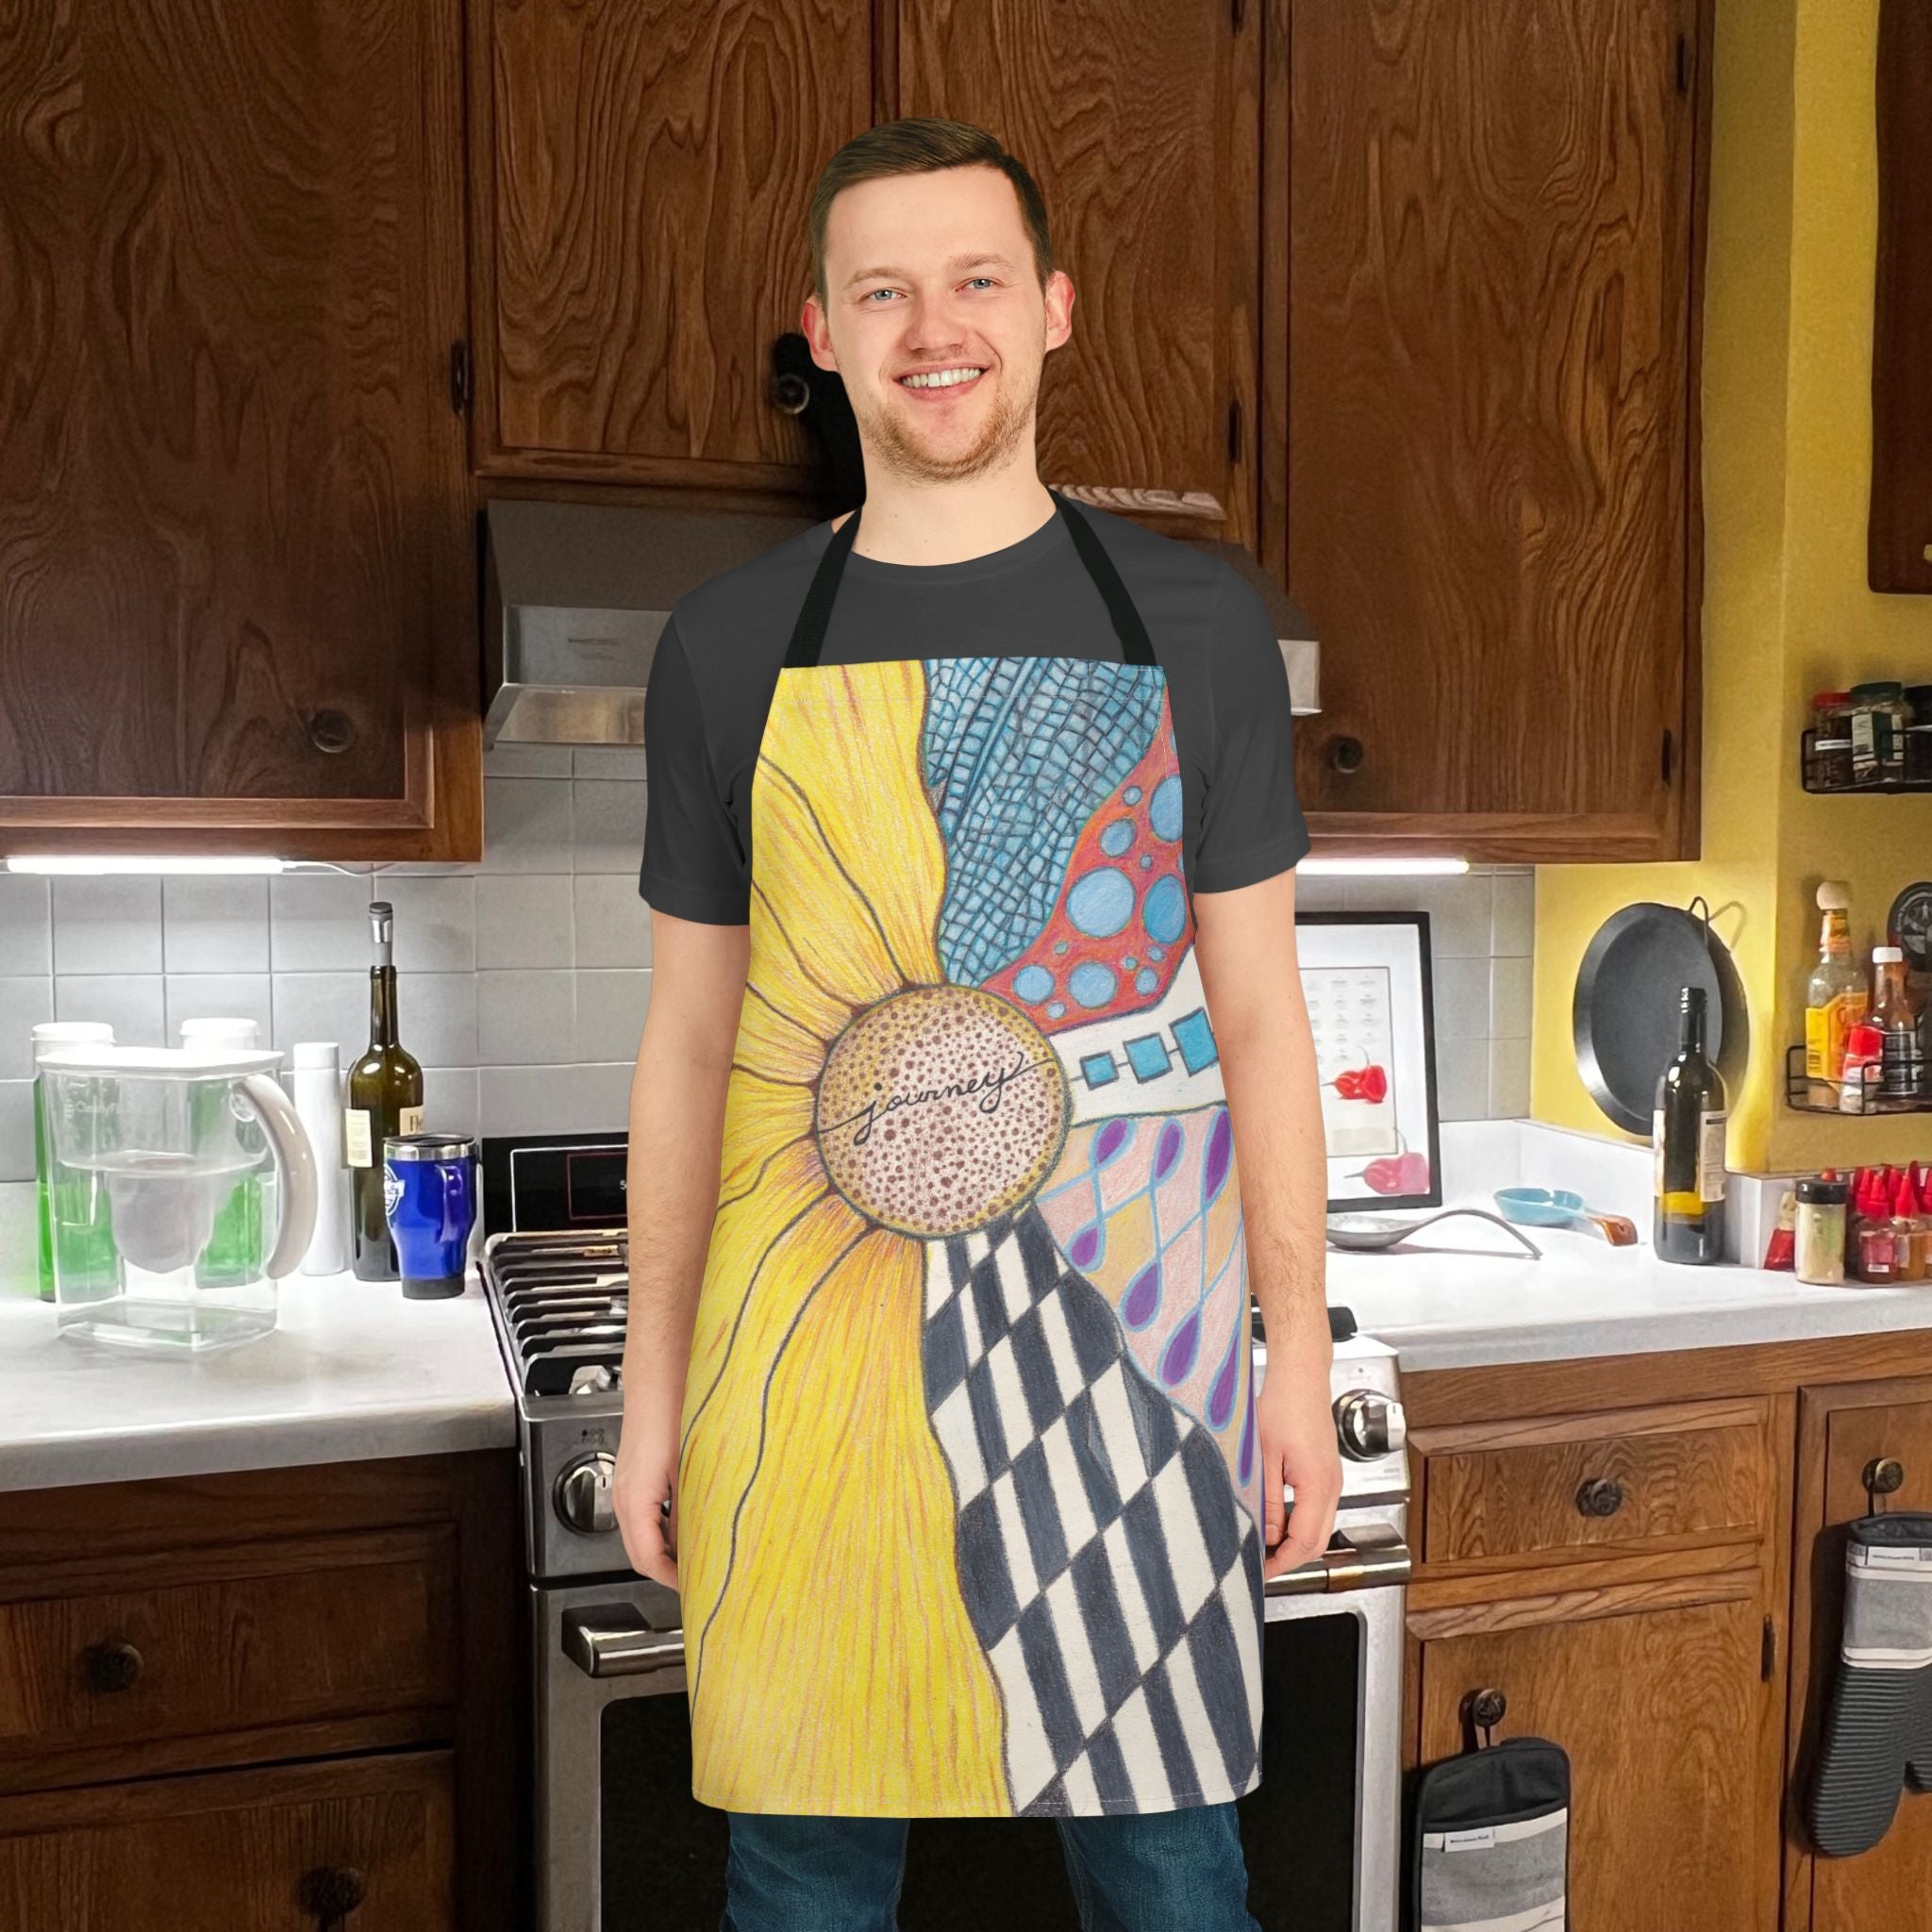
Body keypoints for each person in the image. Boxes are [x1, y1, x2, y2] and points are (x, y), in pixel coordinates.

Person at [617, 114, 1337, 1932]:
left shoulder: (1198, 624)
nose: (934, 328)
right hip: (809, 1355)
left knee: (1175, 1881)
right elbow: (692, 1050)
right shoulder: (724, 646)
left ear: (1054, 310)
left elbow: (1257, 1024)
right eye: (884, 291)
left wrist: (1298, 1361)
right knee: (800, 1879)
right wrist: (649, 1396)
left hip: (1149, 1360)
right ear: (824, 332)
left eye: (974, 281)